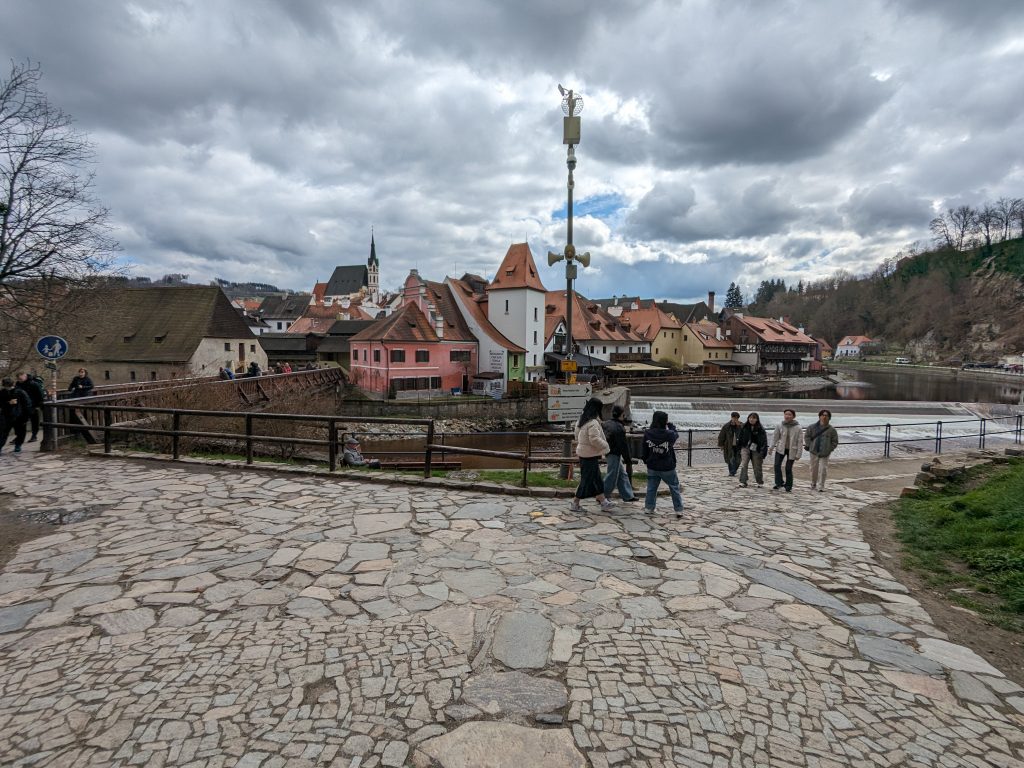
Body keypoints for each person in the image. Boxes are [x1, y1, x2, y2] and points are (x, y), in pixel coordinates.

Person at [571, 397, 616, 513]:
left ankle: (603, 502)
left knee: (596, 479)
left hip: (584, 453)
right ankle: (575, 503)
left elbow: (577, 435)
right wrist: (605, 446)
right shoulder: (593, 422)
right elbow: (594, 439)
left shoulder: (582, 419)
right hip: (590, 455)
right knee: (587, 480)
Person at [641, 410, 684, 518]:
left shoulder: (648, 433)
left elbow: (644, 449)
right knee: (674, 486)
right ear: (664, 421)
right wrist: (671, 426)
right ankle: (678, 509)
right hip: (667, 466)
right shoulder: (669, 434)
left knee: (651, 487)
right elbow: (676, 435)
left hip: (652, 465)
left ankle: (649, 508)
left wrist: (646, 460)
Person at [602, 405, 635, 502]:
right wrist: (628, 459)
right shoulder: (619, 428)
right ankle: (603, 495)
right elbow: (623, 445)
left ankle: (628, 495)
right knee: (612, 476)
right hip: (614, 453)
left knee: (622, 474)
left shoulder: (606, 424)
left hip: (608, 451)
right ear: (622, 414)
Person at [805, 409, 840, 492]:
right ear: (819, 416)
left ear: (829, 418)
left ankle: (821, 486)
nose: (824, 417)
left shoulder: (832, 430)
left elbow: (835, 441)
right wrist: (810, 446)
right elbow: (807, 436)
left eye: (826, 415)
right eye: (823, 415)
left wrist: (830, 449)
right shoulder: (812, 427)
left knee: (823, 469)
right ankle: (813, 483)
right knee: (813, 469)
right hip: (813, 451)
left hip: (825, 452)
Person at [770, 409, 803, 492]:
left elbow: (800, 441)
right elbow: (775, 437)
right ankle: (779, 483)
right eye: (786, 414)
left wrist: (799, 454)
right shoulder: (780, 425)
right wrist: (771, 447)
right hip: (780, 448)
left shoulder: (798, 427)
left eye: (789, 414)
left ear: (793, 416)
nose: (787, 416)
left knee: (788, 468)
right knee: (777, 465)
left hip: (792, 449)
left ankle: (788, 485)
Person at [0, 377, 32, 454]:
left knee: (20, 432)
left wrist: (26, 417)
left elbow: (27, 405)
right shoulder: (2, 392)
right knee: (2, 432)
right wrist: (8, 403)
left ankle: (18, 445)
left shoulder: (20, 392)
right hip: (6, 415)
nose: (8, 388)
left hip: (19, 416)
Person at [737, 412, 769, 488]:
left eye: (754, 418)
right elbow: (740, 438)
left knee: (757, 466)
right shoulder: (744, 427)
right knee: (744, 464)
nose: (751, 419)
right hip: (745, 448)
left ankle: (759, 481)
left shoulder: (760, 429)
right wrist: (739, 448)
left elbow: (764, 441)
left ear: (757, 419)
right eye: (750, 418)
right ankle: (743, 481)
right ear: (748, 418)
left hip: (756, 449)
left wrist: (763, 452)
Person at [16, 373, 46, 443]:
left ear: (25, 376)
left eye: (20, 379)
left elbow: (40, 395)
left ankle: (34, 436)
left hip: (33, 405)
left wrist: (38, 405)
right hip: (22, 406)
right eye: (18, 379)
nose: (19, 380)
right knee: (21, 422)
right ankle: (19, 436)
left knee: (34, 421)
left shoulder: (33, 384)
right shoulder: (18, 384)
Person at [717, 411, 743, 477]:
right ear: (731, 417)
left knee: (738, 460)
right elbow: (721, 436)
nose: (735, 419)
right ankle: (732, 472)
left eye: (736, 418)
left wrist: (739, 426)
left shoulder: (741, 425)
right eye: (734, 418)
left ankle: (734, 470)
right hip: (729, 446)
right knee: (731, 459)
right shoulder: (726, 426)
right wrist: (721, 445)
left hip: (739, 446)